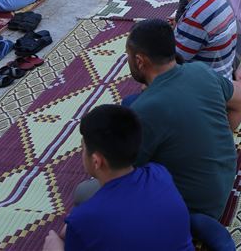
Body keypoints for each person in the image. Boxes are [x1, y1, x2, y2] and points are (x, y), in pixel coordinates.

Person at [122, 19, 241, 219]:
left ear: (139, 61)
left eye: (128, 56)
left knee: (88, 193)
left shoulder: (144, 110)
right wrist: (216, 134)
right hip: (224, 181)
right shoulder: (200, 71)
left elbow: (122, 173)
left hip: (189, 209)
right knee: (129, 102)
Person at [43, 105, 196, 251]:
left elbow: (72, 231)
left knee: (53, 242)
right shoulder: (159, 174)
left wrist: (55, 245)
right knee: (84, 193)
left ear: (96, 161)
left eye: (83, 148)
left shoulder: (83, 220)